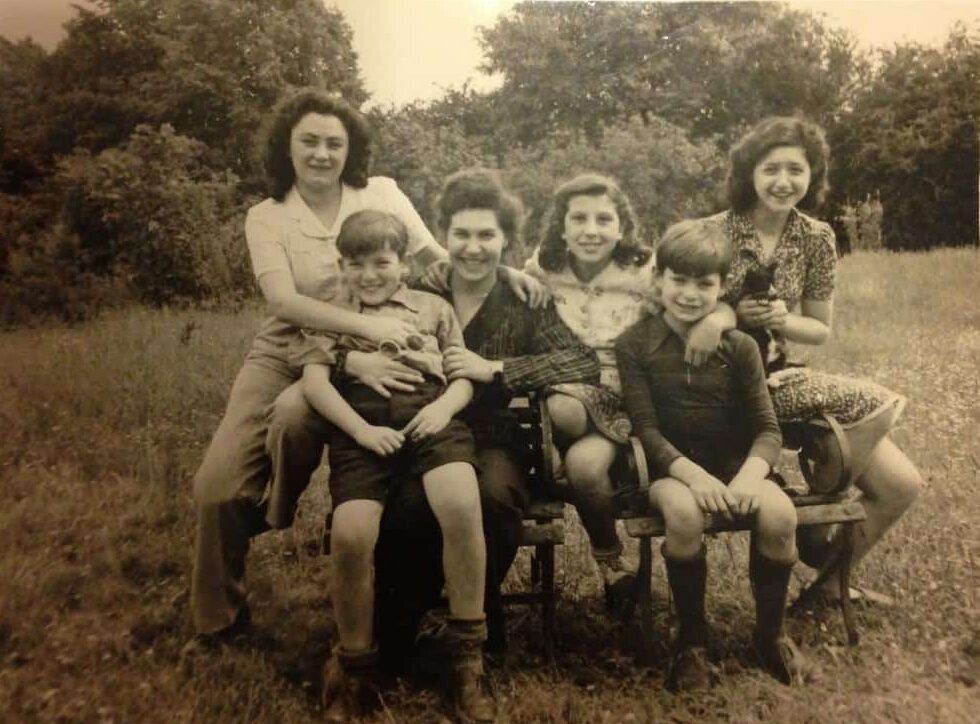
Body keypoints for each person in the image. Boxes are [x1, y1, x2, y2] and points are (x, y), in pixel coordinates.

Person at [187, 90, 542, 650]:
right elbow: (283, 302)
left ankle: (285, 503)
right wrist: (360, 343)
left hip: (372, 354)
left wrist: (512, 274)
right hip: (293, 348)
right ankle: (218, 620)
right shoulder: (269, 216)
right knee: (216, 487)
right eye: (309, 140)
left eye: (335, 142)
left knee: (296, 412)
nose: (322, 153)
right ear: (287, 146)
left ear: (350, 149)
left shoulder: (380, 194)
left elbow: (436, 260)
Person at [372, 169, 600, 665]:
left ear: (506, 241)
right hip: (426, 432)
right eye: (462, 234)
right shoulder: (416, 292)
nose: (473, 248)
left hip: (499, 436)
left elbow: (582, 361)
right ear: (444, 235)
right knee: (410, 507)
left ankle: (465, 636)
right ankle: (402, 637)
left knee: (494, 498)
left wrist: (496, 368)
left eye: (486, 235)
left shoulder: (524, 299)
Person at [704, 116, 922, 602]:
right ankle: (823, 497)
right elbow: (674, 311)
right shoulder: (712, 232)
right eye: (771, 169)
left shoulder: (817, 237)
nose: (784, 182)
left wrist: (781, 317)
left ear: (812, 175)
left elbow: (818, 329)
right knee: (879, 400)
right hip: (722, 387)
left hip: (783, 378)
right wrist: (731, 312)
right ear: (749, 174)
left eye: (796, 170)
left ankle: (825, 589)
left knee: (901, 485)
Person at [293, 209, 492, 722]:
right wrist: (360, 432)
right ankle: (356, 666)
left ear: (403, 264)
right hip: (363, 430)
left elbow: (462, 375)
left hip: (431, 417)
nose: (370, 275)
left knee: (460, 501)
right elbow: (315, 384)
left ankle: (467, 657)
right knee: (353, 533)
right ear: (342, 266)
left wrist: (444, 407)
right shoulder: (332, 312)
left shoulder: (432, 306)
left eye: (381, 262)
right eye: (356, 264)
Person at [525, 173, 734, 610]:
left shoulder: (644, 270)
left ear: (622, 227)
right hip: (570, 386)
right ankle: (613, 565)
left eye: (604, 219)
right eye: (578, 219)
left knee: (575, 445)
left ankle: (611, 536)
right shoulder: (543, 267)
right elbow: (507, 286)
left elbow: (703, 292)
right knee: (575, 443)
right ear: (560, 227)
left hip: (634, 395)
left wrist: (717, 321)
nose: (590, 230)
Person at [617, 219, 808, 689]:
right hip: (669, 472)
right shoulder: (635, 345)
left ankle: (770, 635)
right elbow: (646, 430)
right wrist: (693, 477)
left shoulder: (740, 346)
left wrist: (748, 478)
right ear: (658, 279)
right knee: (683, 515)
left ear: (721, 289)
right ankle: (693, 642)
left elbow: (767, 428)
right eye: (678, 280)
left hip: (735, 467)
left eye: (704, 284)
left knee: (781, 514)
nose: (689, 294)